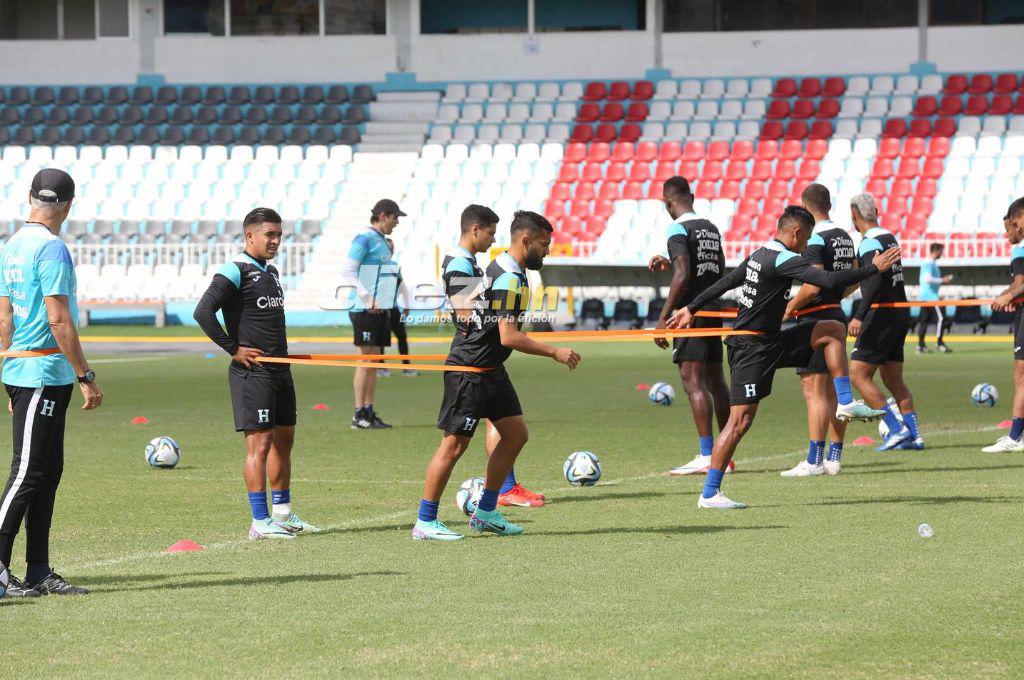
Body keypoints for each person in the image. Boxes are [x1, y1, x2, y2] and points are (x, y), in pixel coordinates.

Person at [667, 206, 897, 509]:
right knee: (739, 422)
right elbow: (827, 281)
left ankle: (844, 402)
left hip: (770, 340)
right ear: (797, 233)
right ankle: (709, 493)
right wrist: (872, 269)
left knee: (831, 328)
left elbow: (725, 282)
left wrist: (690, 308)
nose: (806, 246)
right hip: (750, 350)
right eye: (806, 239)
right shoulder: (782, 259)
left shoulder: (760, 254)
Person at [414, 210, 580, 540]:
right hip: (471, 371)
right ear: (526, 241)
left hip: (491, 370)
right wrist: (555, 352)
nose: (547, 251)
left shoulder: (505, 267)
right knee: (453, 447)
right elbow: (509, 335)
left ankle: (486, 512)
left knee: (516, 434)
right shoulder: (509, 277)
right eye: (545, 244)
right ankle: (425, 521)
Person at [0, 169, 103, 597]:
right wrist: (86, 375)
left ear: (30, 197)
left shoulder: (12, 245)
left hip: (26, 371)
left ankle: (38, 569)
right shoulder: (52, 248)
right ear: (69, 205)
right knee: (27, 473)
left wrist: (9, 378)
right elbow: (59, 319)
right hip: (44, 373)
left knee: (47, 471)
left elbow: (4, 317)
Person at [194, 207, 318, 540]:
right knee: (259, 446)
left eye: (279, 235)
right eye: (270, 235)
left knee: (284, 443)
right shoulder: (235, 270)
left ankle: (282, 514)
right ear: (250, 236)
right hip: (254, 374)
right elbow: (203, 311)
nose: (276, 241)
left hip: (281, 370)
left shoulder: (272, 271)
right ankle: (259, 522)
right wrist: (233, 348)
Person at [649, 177, 731, 476]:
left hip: (689, 313)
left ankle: (708, 455)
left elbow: (684, 274)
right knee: (716, 381)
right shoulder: (710, 228)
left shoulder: (677, 228)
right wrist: (671, 263)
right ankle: (726, 454)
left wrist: (664, 317)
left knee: (691, 380)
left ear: (667, 202)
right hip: (712, 310)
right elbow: (717, 270)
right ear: (692, 196)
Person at [780, 184, 857, 477]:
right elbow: (853, 279)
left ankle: (814, 460)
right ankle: (834, 458)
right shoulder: (844, 237)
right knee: (836, 392)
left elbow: (811, 286)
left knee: (814, 391)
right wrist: (835, 295)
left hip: (813, 320)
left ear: (804, 205)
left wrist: (788, 308)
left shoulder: (814, 239)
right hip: (836, 314)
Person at [847, 194, 924, 451]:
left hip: (879, 315)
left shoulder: (869, 242)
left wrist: (859, 315)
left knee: (858, 374)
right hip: (898, 314)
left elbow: (876, 280)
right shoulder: (889, 236)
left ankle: (896, 429)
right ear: (876, 211)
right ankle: (915, 436)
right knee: (894, 380)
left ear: (855, 216)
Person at [343, 199, 405, 429]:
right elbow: (347, 270)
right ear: (382, 215)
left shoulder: (380, 240)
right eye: (395, 217)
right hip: (364, 310)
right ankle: (358, 414)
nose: (397, 222)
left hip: (380, 311)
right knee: (365, 362)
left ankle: (368, 412)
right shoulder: (364, 238)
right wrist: (367, 298)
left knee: (374, 362)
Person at [984, 198, 1024, 452]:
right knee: (1020, 374)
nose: (1013, 229)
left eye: (1013, 224)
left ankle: (1014, 436)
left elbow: (1021, 284)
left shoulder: (1019, 249)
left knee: (1023, 375)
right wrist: (1009, 295)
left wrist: (1009, 296)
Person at [379, 236, 417, 378]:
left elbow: (402, 286)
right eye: (389, 247)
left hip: (394, 308)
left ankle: (406, 367)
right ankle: (381, 368)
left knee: (402, 336)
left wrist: (406, 305)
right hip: (381, 308)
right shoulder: (377, 267)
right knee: (382, 339)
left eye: (392, 248)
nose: (391, 250)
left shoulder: (394, 267)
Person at [916, 243, 953, 353]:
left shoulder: (928, 263)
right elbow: (928, 279)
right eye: (941, 251)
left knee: (924, 321)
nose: (942, 253)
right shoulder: (929, 263)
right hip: (930, 297)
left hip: (925, 296)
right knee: (941, 318)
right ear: (936, 251)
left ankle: (921, 345)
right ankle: (939, 343)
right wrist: (943, 280)